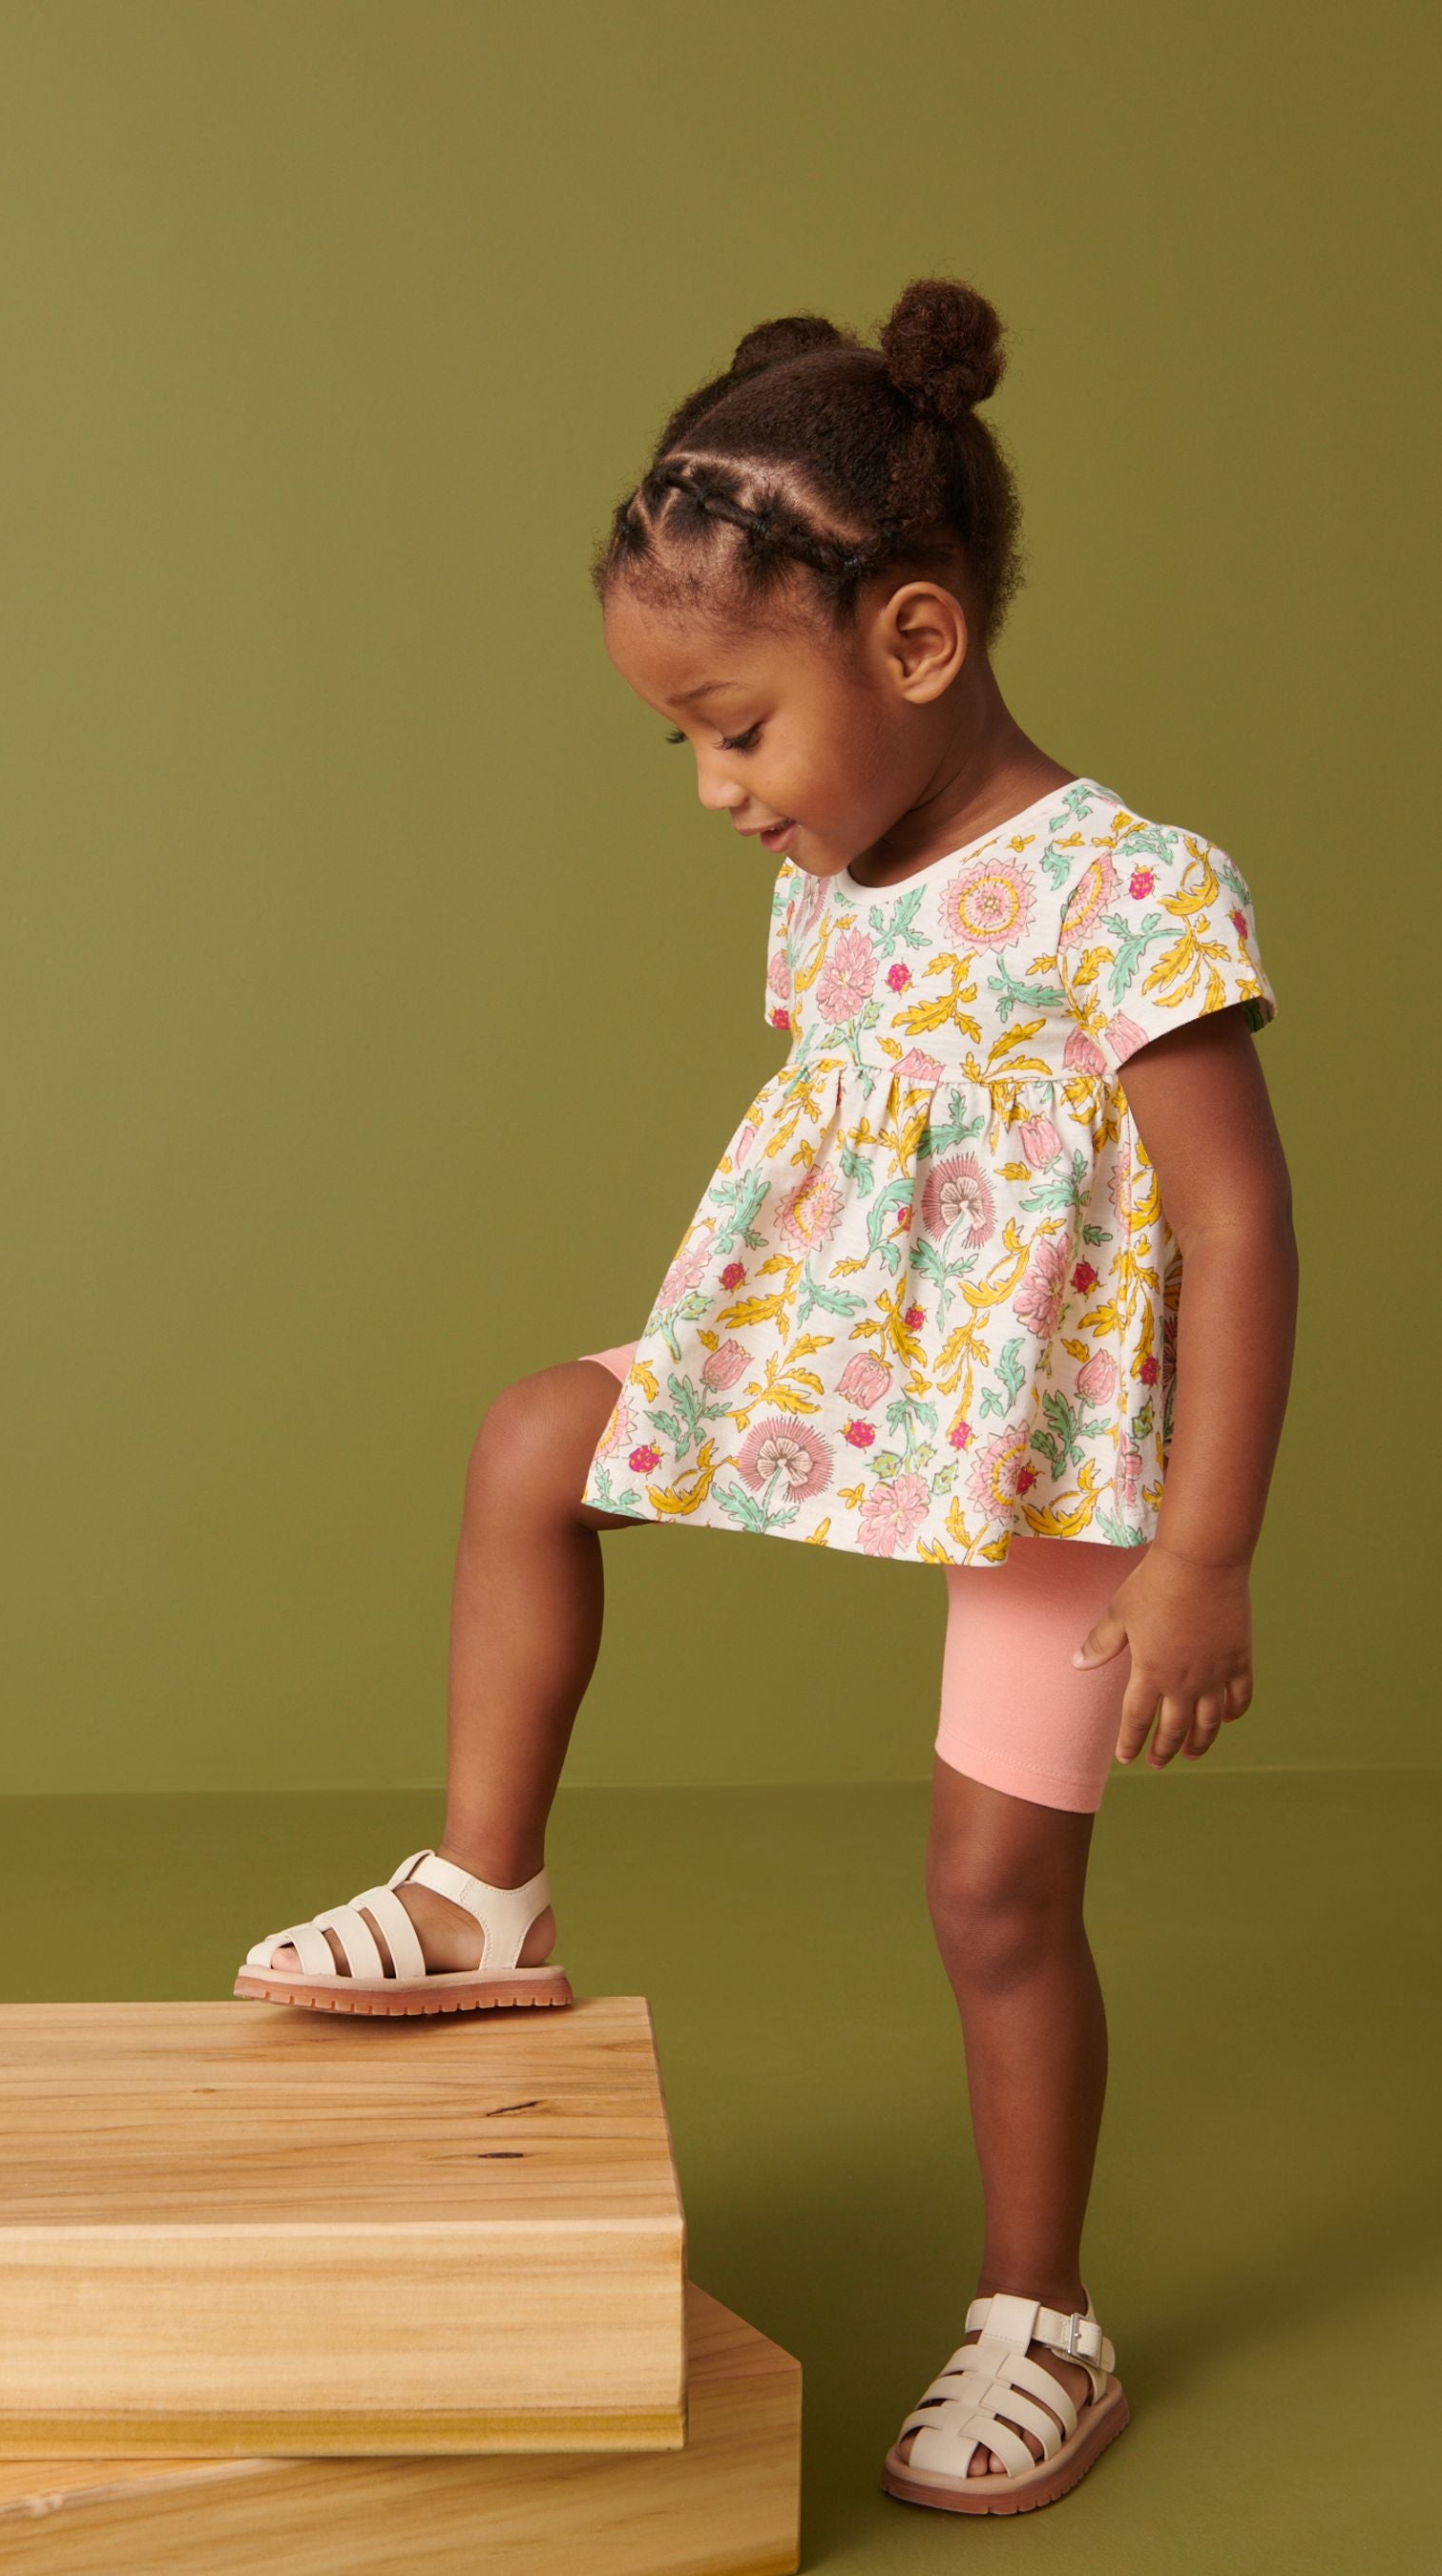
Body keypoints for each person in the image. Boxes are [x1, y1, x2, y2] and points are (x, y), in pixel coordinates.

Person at [233, 279, 1298, 2516]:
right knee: (534, 1438)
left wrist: (1202, 1549)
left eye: (736, 728)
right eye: (684, 747)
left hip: (1048, 1438)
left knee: (994, 1893)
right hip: (834, 1360)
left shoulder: (1128, 893)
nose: (720, 794)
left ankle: (1042, 2318)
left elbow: (1232, 1229)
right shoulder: (832, 878)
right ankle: (480, 1895)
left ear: (914, 644)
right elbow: (847, 1188)